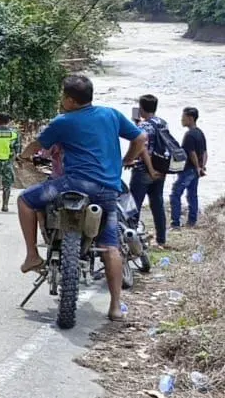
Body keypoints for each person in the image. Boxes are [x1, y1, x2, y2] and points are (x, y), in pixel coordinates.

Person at [17, 75, 147, 322]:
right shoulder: (111, 114)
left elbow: (36, 145)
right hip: (108, 190)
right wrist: (128, 160)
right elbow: (140, 138)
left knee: (25, 200)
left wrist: (23, 157)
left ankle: (32, 255)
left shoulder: (63, 121)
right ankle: (116, 306)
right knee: (110, 246)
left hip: (74, 184)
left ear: (68, 99)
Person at [129, 94, 169, 248]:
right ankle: (161, 239)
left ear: (141, 108)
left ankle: (132, 239)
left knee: (134, 205)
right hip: (161, 169)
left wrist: (150, 169)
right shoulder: (162, 123)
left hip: (144, 170)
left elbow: (143, 149)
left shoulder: (143, 126)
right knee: (157, 203)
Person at [170, 107, 207, 229]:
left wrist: (197, 167)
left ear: (190, 118)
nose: (181, 119)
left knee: (175, 194)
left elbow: (192, 153)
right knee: (192, 195)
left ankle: (175, 223)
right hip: (196, 170)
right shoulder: (200, 132)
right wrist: (202, 166)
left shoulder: (189, 135)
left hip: (188, 170)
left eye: (183, 117)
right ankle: (192, 221)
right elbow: (205, 152)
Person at [0, 112, 21, 213]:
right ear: (8, 121)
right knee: (7, 185)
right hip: (8, 162)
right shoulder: (14, 133)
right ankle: (5, 205)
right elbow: (17, 149)